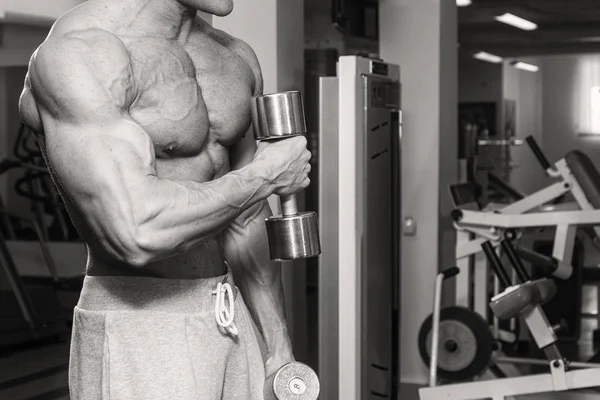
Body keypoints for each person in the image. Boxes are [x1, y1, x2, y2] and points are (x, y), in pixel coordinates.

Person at [18, 0, 311, 398]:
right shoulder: (81, 53)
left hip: (230, 314)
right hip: (141, 325)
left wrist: (277, 345)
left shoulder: (235, 57)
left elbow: (246, 217)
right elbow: (136, 233)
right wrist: (265, 175)